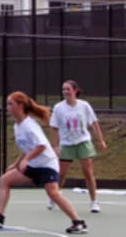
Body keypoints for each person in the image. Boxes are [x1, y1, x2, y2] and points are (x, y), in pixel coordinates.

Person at [0, 92, 88, 234]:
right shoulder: (17, 126)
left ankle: (78, 223)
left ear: (20, 105)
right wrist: (17, 163)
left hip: (47, 164)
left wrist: (26, 160)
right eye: (7, 104)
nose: (7, 107)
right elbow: (27, 147)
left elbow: (41, 146)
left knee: (53, 194)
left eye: (10, 104)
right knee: (5, 180)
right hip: (34, 164)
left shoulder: (29, 126)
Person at [47, 80, 107, 213]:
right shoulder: (58, 108)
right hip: (66, 145)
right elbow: (53, 128)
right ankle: (54, 197)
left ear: (75, 91)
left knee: (88, 172)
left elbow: (94, 123)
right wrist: (55, 147)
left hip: (83, 142)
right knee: (61, 175)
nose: (65, 92)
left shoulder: (84, 106)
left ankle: (94, 202)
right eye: (63, 89)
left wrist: (101, 141)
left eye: (68, 89)